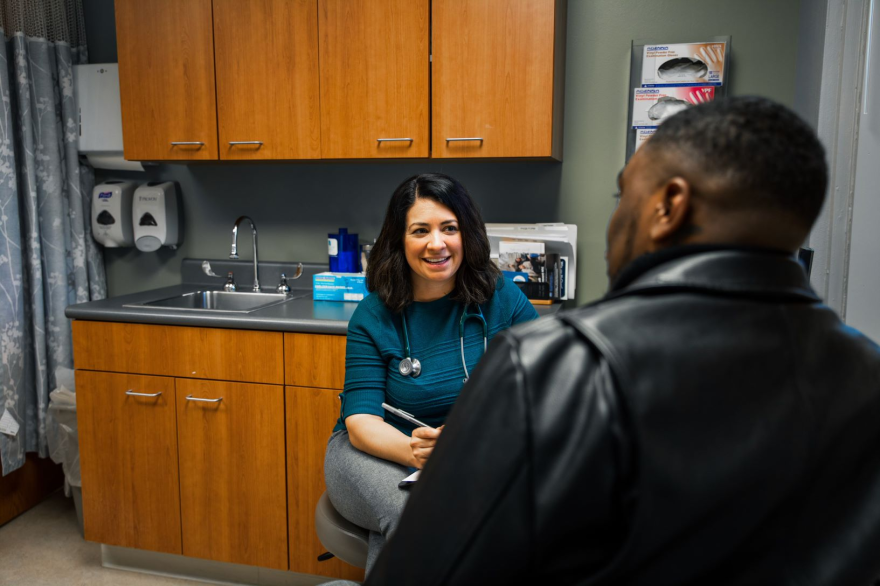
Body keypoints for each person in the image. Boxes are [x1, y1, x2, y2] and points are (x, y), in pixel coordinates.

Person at [358, 97, 880, 584]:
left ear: (668, 206)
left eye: (621, 195)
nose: (613, 219)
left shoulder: (558, 365)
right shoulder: (867, 373)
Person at [323, 173, 538, 572]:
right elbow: (360, 420)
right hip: (376, 452)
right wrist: (414, 452)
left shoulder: (502, 297)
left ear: (467, 234)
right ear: (400, 241)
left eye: (449, 228)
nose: (436, 244)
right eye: (420, 230)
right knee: (418, 515)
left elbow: (544, 387)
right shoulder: (374, 315)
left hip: (469, 454)